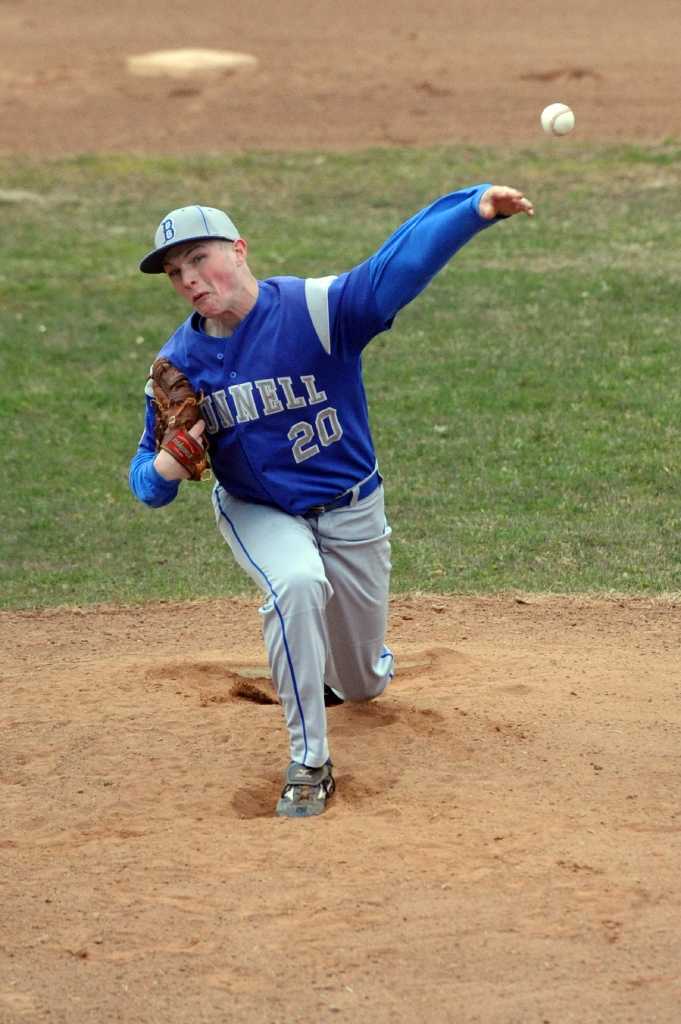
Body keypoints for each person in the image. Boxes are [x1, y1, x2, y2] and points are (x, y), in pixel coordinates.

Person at [129, 183, 534, 817]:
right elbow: (144, 484)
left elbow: (392, 271)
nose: (189, 280)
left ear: (238, 250)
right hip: (259, 509)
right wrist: (163, 467)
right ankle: (310, 761)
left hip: (352, 507)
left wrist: (472, 210)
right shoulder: (178, 363)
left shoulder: (314, 310)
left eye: (199, 259)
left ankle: (339, 672)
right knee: (295, 586)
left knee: (364, 683)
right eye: (175, 273)